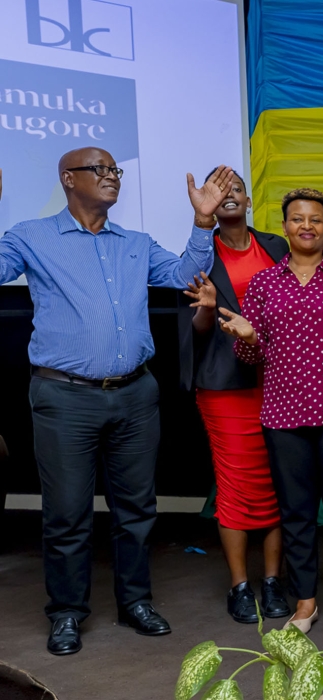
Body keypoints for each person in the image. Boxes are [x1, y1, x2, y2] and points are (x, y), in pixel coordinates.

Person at [0, 147, 231, 655]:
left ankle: (135, 603)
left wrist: (201, 219)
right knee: (67, 515)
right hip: (65, 397)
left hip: (135, 394)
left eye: (115, 170)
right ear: (68, 178)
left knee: (136, 511)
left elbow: (186, 275)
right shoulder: (30, 237)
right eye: (99, 170)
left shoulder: (136, 242)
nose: (112, 178)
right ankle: (66, 613)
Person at [217, 188, 323, 638]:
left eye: (315, 219)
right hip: (284, 414)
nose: (306, 226)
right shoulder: (265, 283)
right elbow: (250, 356)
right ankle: (306, 600)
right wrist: (250, 337)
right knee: (296, 512)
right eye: (297, 219)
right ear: (285, 226)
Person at [179, 168, 291, 625]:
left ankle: (272, 580)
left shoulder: (277, 247)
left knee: (279, 480)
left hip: (279, 380)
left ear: (249, 200)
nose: (229, 196)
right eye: (218, 190)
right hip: (224, 385)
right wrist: (207, 309)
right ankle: (240, 586)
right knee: (237, 484)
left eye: (236, 189)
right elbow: (197, 328)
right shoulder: (199, 255)